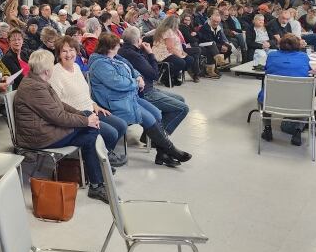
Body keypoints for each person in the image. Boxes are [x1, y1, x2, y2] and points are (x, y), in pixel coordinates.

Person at [14, 49, 110, 202]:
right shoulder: (34, 87)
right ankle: (97, 180)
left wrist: (82, 114)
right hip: (40, 136)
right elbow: (58, 117)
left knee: (89, 130)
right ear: (46, 70)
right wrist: (86, 120)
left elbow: (59, 105)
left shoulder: (36, 80)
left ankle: (96, 178)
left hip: (45, 129)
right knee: (91, 132)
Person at [88, 33, 191, 168]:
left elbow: (131, 68)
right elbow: (118, 83)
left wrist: (138, 77)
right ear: (110, 47)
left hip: (128, 96)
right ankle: (170, 150)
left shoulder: (115, 57)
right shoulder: (100, 64)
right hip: (115, 102)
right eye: (117, 45)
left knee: (156, 113)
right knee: (149, 119)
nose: (120, 46)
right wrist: (136, 83)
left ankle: (162, 153)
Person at [50, 36, 127, 166]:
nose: (69, 54)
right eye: (64, 51)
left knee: (121, 125)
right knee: (111, 133)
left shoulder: (76, 67)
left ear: (77, 51)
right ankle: (100, 162)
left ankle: (103, 157)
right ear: (58, 54)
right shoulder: (55, 73)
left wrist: (94, 105)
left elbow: (83, 93)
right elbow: (56, 105)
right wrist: (82, 117)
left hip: (91, 110)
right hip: (77, 117)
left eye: (72, 50)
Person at [117, 27, 191, 142]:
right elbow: (154, 74)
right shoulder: (133, 55)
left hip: (146, 88)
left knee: (180, 99)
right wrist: (151, 53)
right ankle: (159, 139)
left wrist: (144, 51)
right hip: (145, 92)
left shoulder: (124, 50)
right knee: (182, 108)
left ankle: (150, 133)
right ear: (137, 41)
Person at [258, 34, 311, 146]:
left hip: (272, 101)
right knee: (307, 99)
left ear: (280, 44)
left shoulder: (272, 56)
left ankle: (267, 129)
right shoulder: (304, 57)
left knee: (263, 96)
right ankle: (298, 131)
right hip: (297, 101)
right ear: (298, 45)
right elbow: (308, 70)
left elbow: (267, 69)